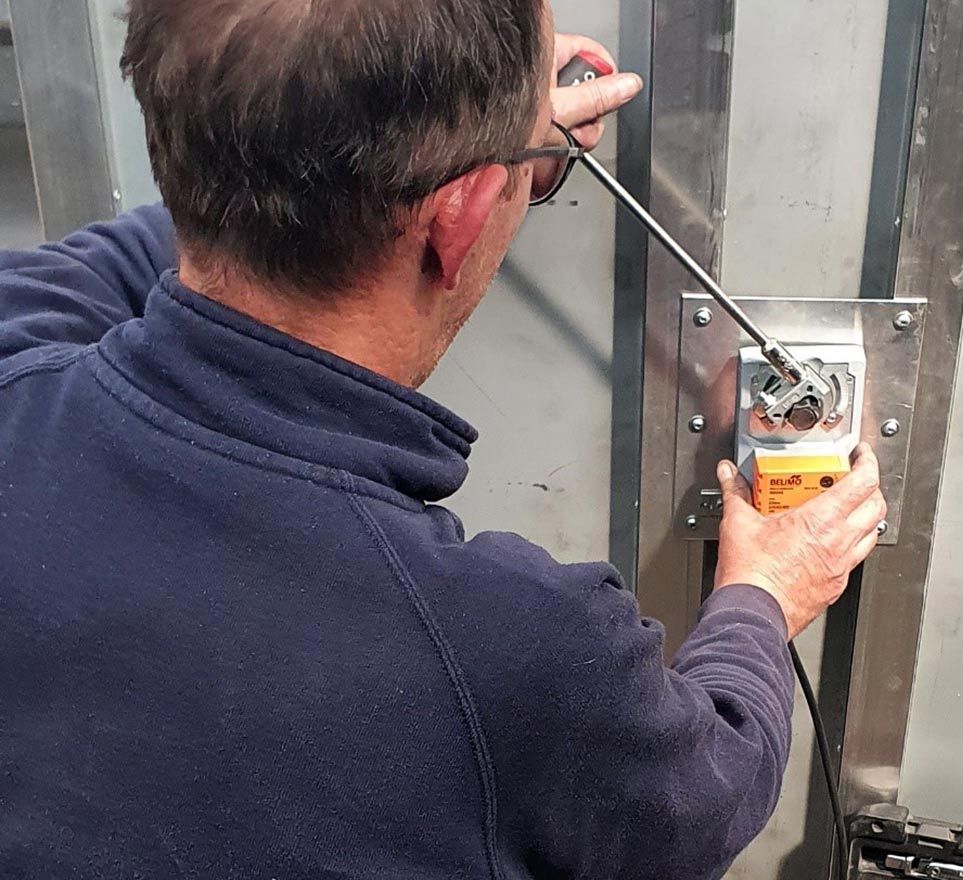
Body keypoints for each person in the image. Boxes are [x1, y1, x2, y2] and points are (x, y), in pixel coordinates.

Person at [0, 1, 887, 877]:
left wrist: (458, 149)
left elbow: (129, 247)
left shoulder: (16, 366)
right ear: (460, 217)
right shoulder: (508, 650)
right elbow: (705, 796)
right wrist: (765, 591)